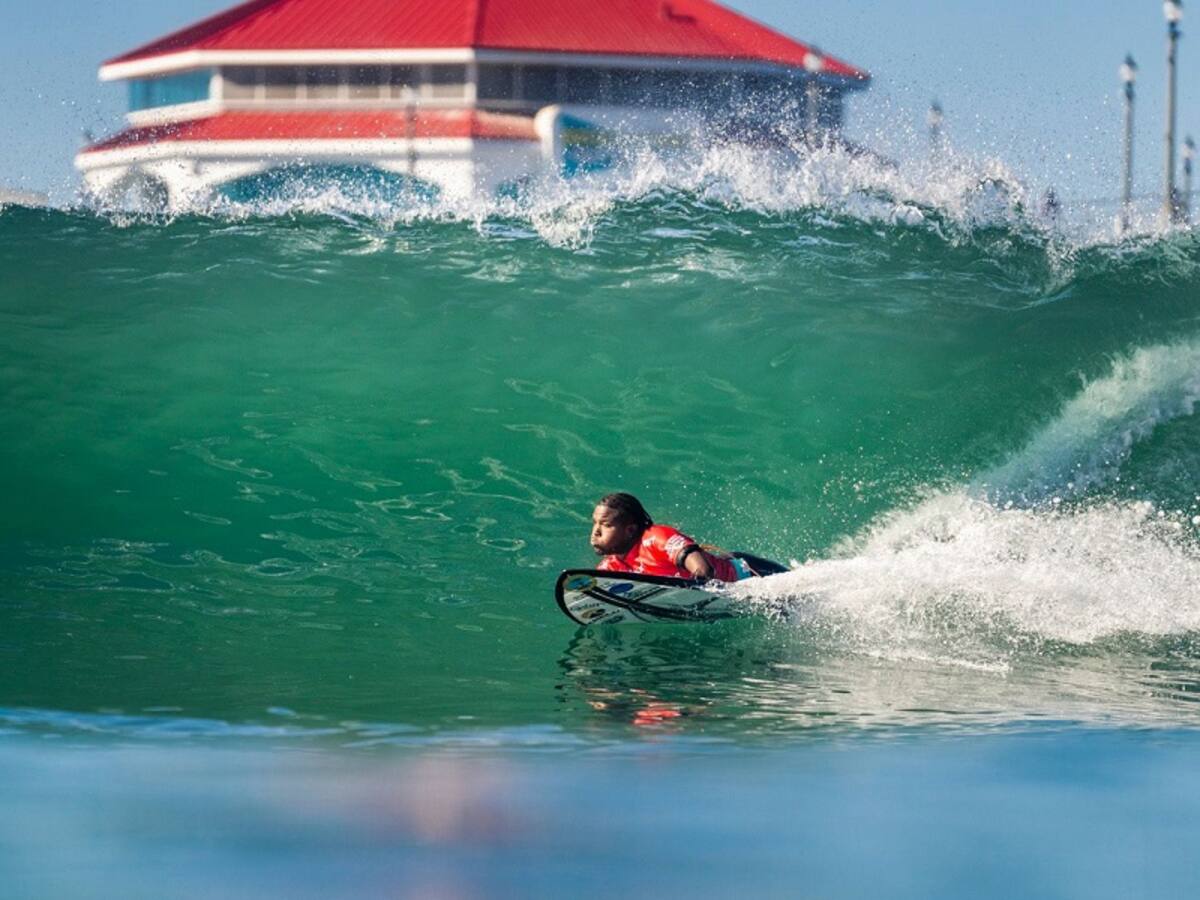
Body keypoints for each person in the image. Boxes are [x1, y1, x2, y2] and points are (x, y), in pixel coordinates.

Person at [589, 492, 754, 582]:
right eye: (595, 523)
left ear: (630, 530)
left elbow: (704, 570)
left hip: (748, 574)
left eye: (606, 525)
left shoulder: (656, 538)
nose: (596, 531)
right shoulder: (612, 565)